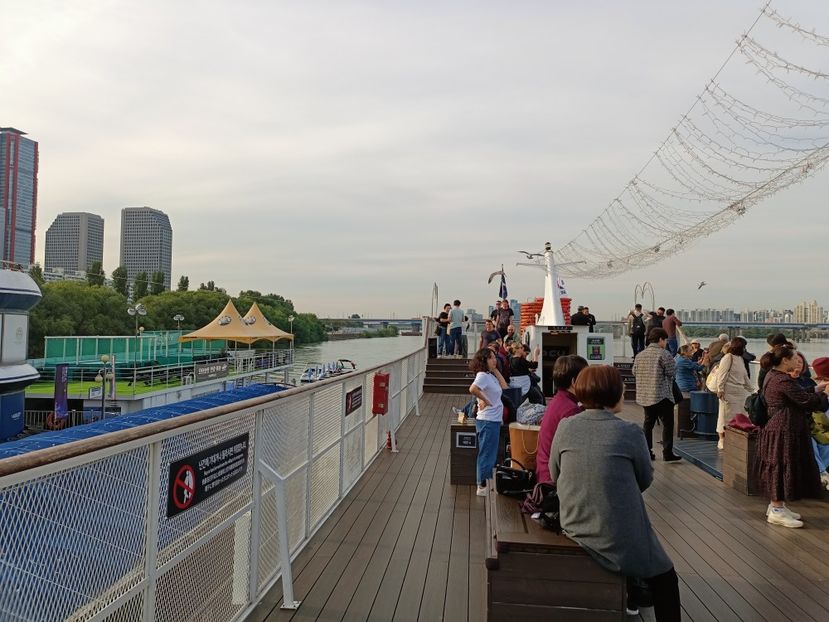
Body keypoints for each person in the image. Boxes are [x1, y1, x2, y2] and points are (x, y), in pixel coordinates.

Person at [551, 366, 681, 621]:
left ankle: (634, 593)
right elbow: (645, 479)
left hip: (574, 524)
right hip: (614, 534)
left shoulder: (566, 426)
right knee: (665, 577)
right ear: (614, 393)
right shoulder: (629, 432)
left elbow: (556, 475)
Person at [755, 344, 829, 528]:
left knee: (779, 465)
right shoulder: (782, 381)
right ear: (785, 360)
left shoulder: (774, 376)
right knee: (781, 466)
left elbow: (798, 396)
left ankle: (777, 505)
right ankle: (777, 509)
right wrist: (824, 395)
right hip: (783, 429)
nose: (799, 360)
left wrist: (816, 390)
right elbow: (806, 401)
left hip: (780, 427)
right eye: (795, 357)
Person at [536, 355, 588, 485]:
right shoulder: (570, 410)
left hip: (543, 473)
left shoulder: (559, 400)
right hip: (553, 482)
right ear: (574, 382)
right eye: (586, 378)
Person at [632, 328, 681, 462]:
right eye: (665, 340)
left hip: (645, 396)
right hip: (662, 395)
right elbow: (671, 372)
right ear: (660, 339)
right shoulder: (664, 354)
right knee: (668, 424)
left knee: (648, 424)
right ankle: (667, 453)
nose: (665, 342)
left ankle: (648, 452)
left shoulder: (640, 355)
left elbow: (634, 372)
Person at [468, 347, 509, 497]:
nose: (495, 360)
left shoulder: (489, 375)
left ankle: (484, 483)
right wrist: (485, 400)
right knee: (486, 453)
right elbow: (473, 388)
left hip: (493, 420)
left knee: (489, 453)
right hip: (488, 420)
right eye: (491, 357)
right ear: (484, 360)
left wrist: (496, 370)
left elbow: (505, 387)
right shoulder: (482, 376)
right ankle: (482, 485)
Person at [714, 338, 754, 450]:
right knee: (725, 416)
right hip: (728, 391)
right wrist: (720, 389)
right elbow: (721, 375)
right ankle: (722, 439)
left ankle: (735, 439)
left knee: (741, 416)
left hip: (740, 392)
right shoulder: (728, 357)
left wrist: (752, 390)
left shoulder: (740, 359)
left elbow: (745, 377)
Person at [808, 357, 829, 490]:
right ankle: (822, 473)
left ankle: (822, 474)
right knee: (818, 442)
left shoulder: (813, 387)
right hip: (819, 429)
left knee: (817, 442)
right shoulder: (817, 390)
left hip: (819, 429)